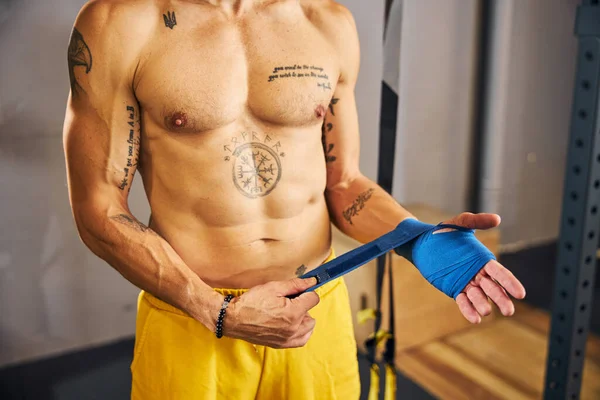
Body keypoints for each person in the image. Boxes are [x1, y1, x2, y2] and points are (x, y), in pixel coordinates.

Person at [63, 0, 526, 399]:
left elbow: (344, 182)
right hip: (195, 321)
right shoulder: (120, 22)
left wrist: (419, 239)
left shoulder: (326, 22)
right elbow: (99, 210)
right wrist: (218, 312)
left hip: (314, 310)